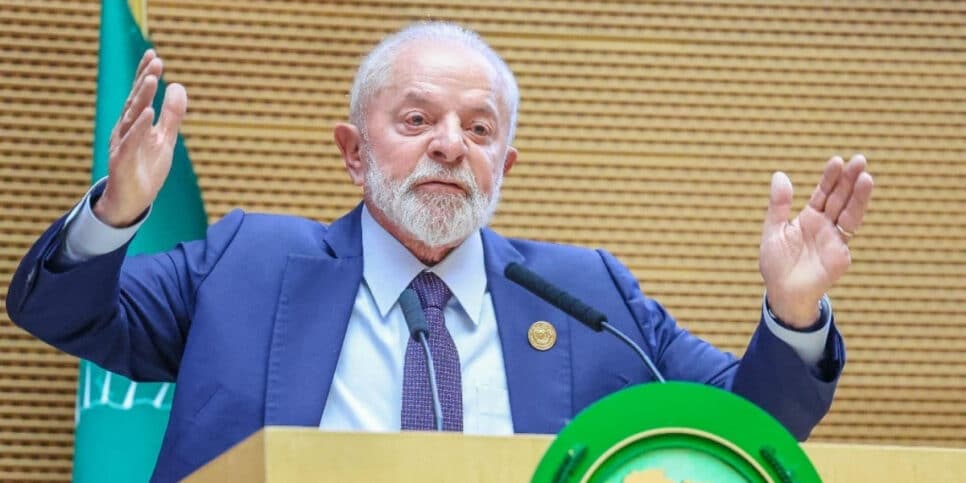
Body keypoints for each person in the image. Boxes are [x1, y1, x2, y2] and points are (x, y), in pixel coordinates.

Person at [6, 22, 872, 482]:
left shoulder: (583, 290)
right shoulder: (246, 262)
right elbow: (59, 310)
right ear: (353, 150)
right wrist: (118, 211)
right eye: (416, 119)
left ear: (505, 164)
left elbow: (747, 427)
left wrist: (793, 310)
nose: (450, 144)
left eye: (479, 128)